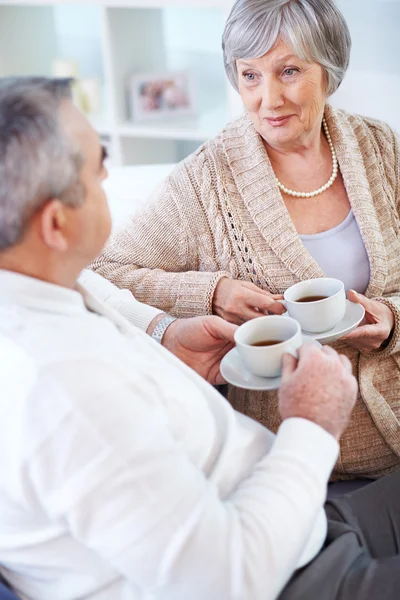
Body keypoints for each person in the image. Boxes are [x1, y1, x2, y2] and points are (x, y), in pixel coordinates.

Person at [91, 0, 400, 481]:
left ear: (330, 71)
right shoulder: (206, 180)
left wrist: (392, 320)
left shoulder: (381, 149)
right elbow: (105, 271)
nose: (268, 99)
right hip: (293, 466)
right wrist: (212, 294)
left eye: (289, 71)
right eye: (250, 75)